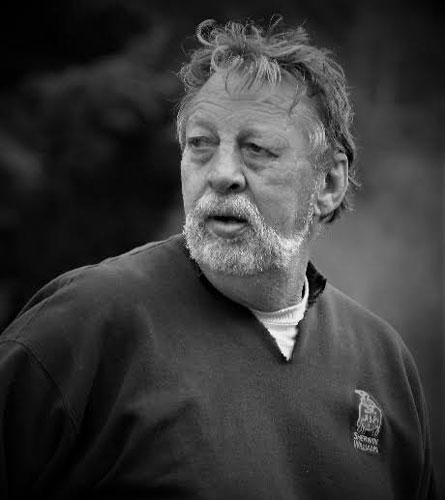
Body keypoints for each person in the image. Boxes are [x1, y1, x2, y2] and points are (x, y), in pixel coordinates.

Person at [0, 18, 437, 500]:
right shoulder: (88, 320)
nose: (222, 174)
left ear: (329, 184)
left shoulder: (383, 361)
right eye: (201, 145)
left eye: (256, 150)